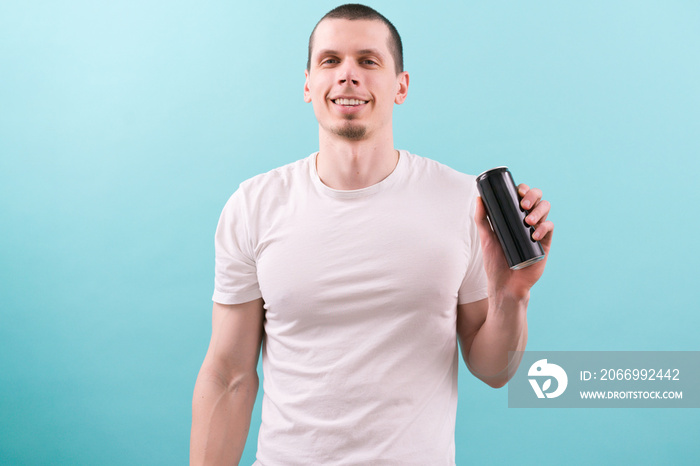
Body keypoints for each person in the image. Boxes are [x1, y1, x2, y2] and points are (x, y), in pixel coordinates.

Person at [190, 4, 553, 465]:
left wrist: (512, 295)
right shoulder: (254, 205)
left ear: (400, 85)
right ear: (307, 84)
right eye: (329, 61)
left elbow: (494, 369)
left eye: (368, 61)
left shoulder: (464, 203)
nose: (347, 76)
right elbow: (229, 375)